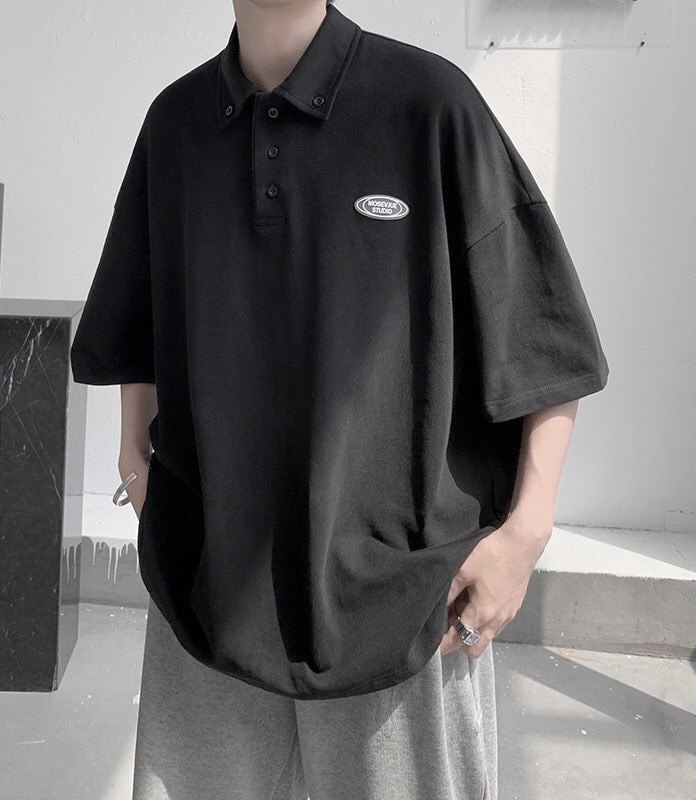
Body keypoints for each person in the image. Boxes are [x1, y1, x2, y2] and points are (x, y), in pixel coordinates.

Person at [70, 1, 610, 798]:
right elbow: (137, 317)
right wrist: (135, 459)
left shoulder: (430, 105)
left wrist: (526, 534)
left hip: (407, 601)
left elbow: (543, 337)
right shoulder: (177, 123)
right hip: (207, 591)